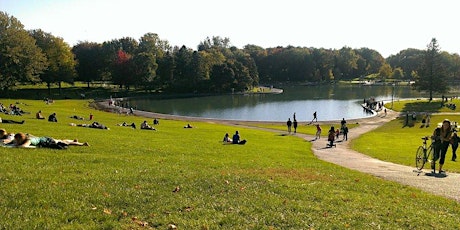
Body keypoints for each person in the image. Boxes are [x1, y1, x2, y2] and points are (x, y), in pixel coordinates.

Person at [10, 132, 89, 149]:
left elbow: (24, 146)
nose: (16, 142)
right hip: (45, 138)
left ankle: (81, 144)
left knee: (63, 142)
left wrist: (16, 146)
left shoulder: (29, 140)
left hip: (47, 140)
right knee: (61, 140)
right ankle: (75, 141)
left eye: (17, 141)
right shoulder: (27, 138)